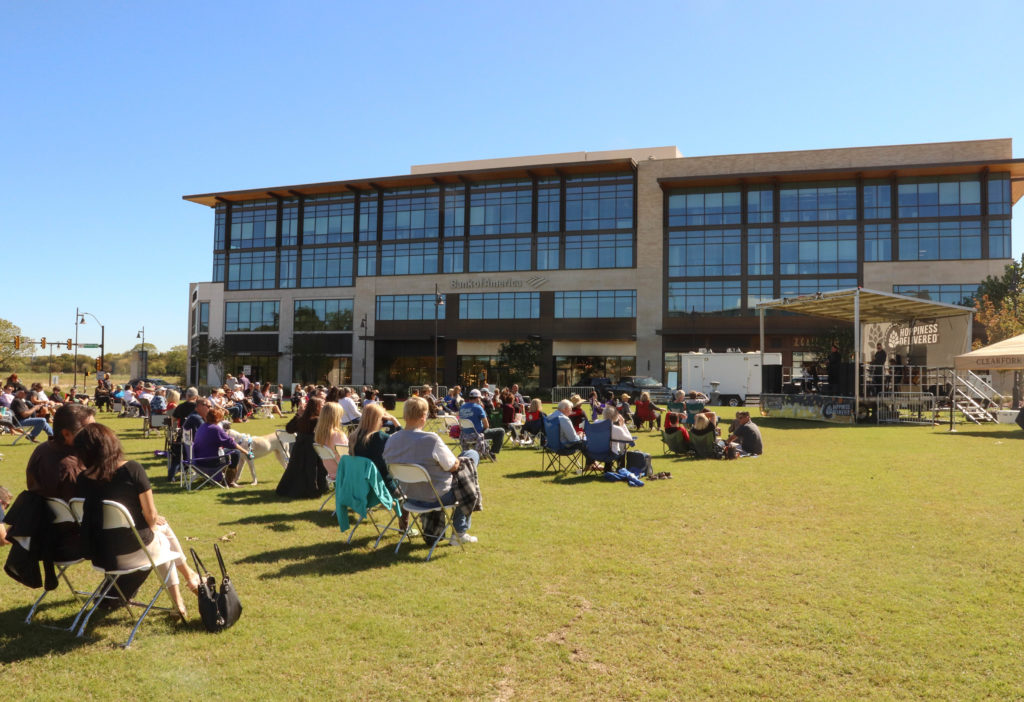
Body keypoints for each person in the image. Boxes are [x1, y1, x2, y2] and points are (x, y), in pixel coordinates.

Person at [74, 423, 201, 619]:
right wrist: (153, 524)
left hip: (103, 554)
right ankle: (181, 598)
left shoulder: (82, 479)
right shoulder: (131, 469)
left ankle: (189, 577)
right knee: (162, 540)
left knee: (161, 530)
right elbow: (150, 516)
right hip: (133, 552)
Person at [382, 397, 481, 546]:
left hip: (409, 495)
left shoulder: (392, 440)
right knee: (470, 464)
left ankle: (452, 530)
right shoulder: (431, 439)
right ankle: (460, 532)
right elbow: (453, 467)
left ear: (405, 415)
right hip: (436, 496)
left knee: (468, 458)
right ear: (424, 416)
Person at [26, 404, 96, 501]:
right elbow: (80, 505)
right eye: (89, 430)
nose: (96, 433)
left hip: (42, 511)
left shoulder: (43, 448)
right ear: (66, 434)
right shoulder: (71, 467)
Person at [276, 397, 327, 498]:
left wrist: (298, 414)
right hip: (311, 449)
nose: (324, 406)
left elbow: (289, 429)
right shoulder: (316, 420)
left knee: (297, 468)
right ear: (316, 407)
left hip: (299, 448)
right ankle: (314, 489)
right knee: (313, 468)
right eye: (322, 405)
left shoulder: (302, 419)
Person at [192, 407, 243, 487]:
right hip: (209, 462)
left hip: (197, 461)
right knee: (236, 453)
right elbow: (231, 444)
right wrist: (246, 452)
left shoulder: (202, 426)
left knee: (226, 451)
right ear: (218, 419)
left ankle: (219, 478)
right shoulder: (215, 428)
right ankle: (230, 481)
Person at [459, 389, 505, 456]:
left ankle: (486, 449)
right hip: (477, 435)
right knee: (501, 431)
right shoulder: (478, 408)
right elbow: (486, 425)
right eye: (480, 398)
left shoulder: (462, 407)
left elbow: (460, 425)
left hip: (464, 435)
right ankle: (491, 452)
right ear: (478, 398)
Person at [314, 402, 349, 481]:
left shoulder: (320, 434)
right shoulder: (338, 435)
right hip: (344, 472)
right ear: (336, 417)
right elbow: (346, 457)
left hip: (331, 472)